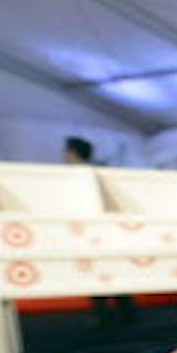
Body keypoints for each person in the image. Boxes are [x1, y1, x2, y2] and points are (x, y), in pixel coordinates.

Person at [65, 136, 137, 324]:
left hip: (91, 232)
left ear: (72, 152)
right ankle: (124, 313)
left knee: (99, 275)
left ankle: (109, 315)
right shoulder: (97, 172)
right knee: (111, 272)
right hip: (102, 231)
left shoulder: (76, 176)